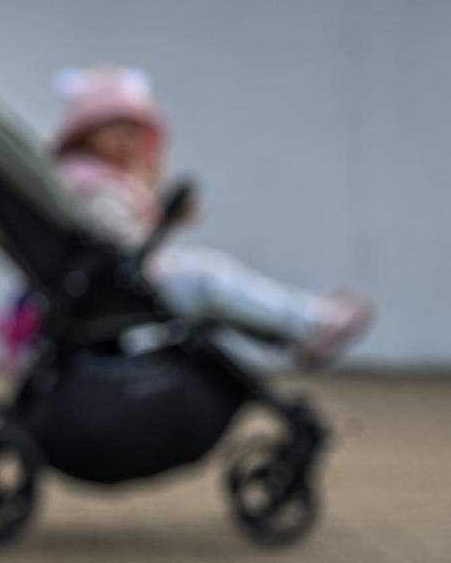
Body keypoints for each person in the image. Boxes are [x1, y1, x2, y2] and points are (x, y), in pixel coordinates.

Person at [49, 65, 374, 363]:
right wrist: (160, 221)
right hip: (122, 288)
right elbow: (117, 242)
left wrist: (161, 218)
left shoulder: (92, 177)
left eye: (133, 132)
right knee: (210, 278)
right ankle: (310, 321)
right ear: (85, 135)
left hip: (121, 283)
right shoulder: (91, 184)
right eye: (114, 131)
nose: (126, 142)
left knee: (217, 289)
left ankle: (297, 329)